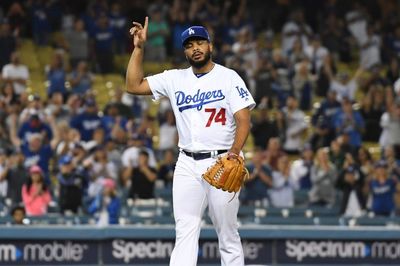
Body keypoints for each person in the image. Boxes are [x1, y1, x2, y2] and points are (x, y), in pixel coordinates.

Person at [126, 18, 255, 266]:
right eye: (189, 45)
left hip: (222, 160)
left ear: (210, 46)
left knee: (227, 232)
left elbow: (244, 120)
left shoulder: (229, 78)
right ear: (184, 51)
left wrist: (235, 152)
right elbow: (133, 85)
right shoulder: (175, 79)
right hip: (186, 163)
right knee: (185, 229)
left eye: (200, 42)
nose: (195, 48)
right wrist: (139, 48)